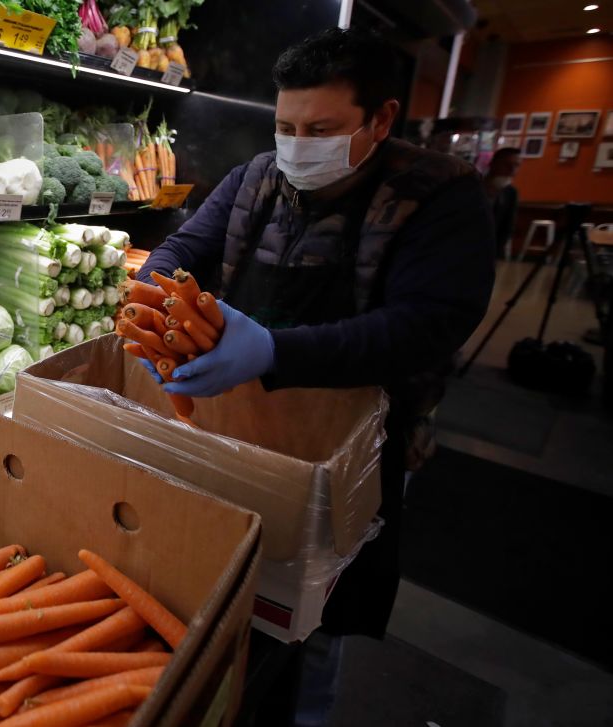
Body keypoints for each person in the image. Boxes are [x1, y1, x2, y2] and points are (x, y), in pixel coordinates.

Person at [136, 27, 495, 725]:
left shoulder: (441, 199)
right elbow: (184, 246)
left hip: (359, 442)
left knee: (318, 615)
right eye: (286, 126)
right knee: (239, 587)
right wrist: (153, 302)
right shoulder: (253, 179)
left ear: (381, 119)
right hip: (244, 424)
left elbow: (425, 326)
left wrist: (274, 351)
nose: (299, 144)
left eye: (322, 128)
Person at [483, 146, 522, 258]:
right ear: (493, 164)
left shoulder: (510, 193)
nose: (512, 170)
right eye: (507, 164)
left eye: (516, 166)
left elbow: (507, 227)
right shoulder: (473, 187)